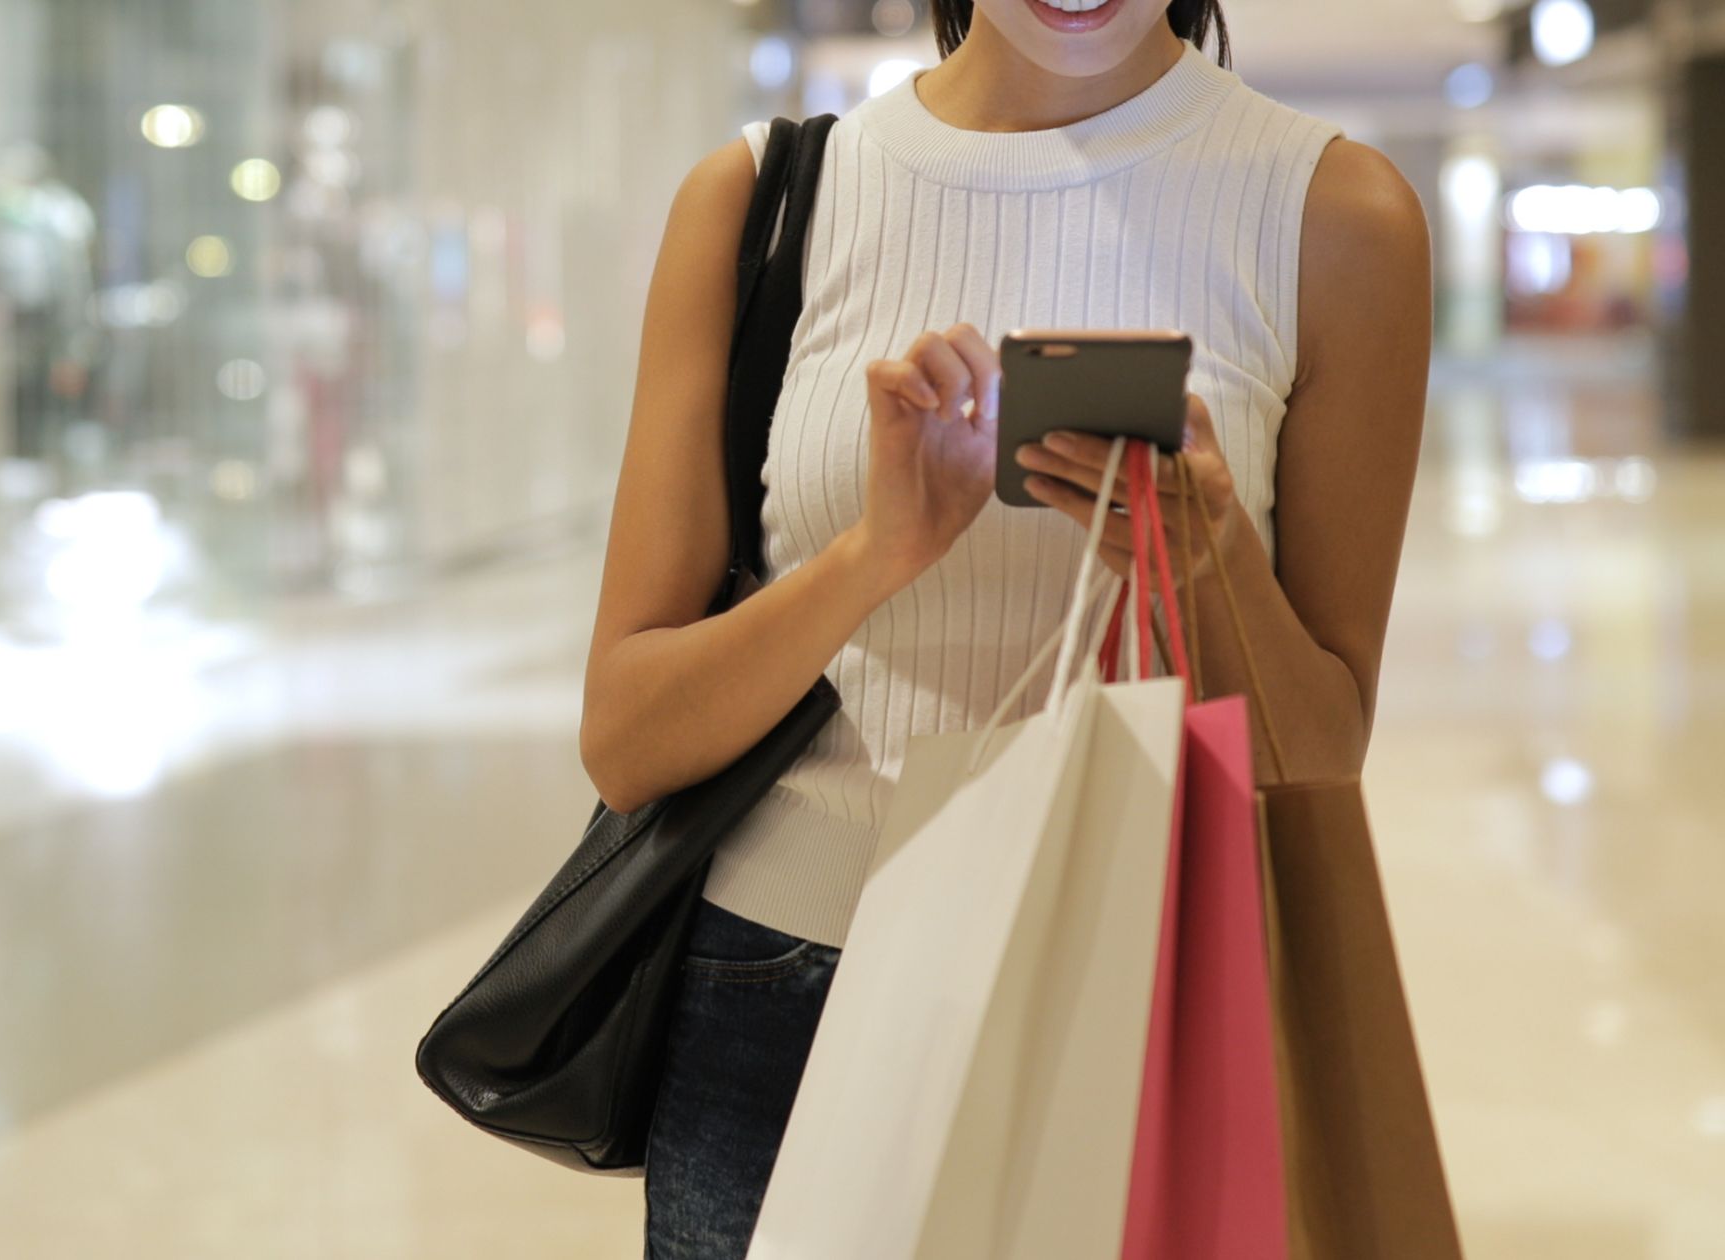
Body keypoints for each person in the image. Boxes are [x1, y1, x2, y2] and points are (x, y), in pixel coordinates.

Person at [577, 0, 1431, 1255]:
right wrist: (873, 555)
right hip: (775, 995)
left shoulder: (1334, 215)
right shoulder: (763, 200)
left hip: (1142, 997)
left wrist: (1209, 566)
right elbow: (627, 738)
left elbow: (1317, 756)